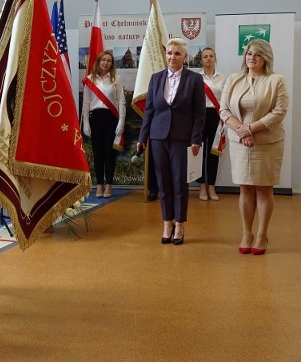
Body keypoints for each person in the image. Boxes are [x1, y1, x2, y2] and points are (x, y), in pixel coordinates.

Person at [219, 39, 288, 255]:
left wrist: (251, 129)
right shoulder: (234, 79)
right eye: (249, 53)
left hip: (267, 141)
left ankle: (261, 234)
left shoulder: (276, 80)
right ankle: (246, 233)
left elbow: (279, 111)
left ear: (265, 57)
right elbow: (224, 110)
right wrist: (242, 130)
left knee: (264, 188)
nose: (251, 57)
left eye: (257, 54)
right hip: (240, 141)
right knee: (245, 187)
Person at [137, 38, 206, 245]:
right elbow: (149, 110)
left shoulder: (194, 79)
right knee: (163, 183)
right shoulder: (156, 78)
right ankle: (167, 222)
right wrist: (142, 137)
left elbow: (199, 113)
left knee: (179, 183)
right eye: (169, 53)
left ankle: (180, 225)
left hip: (182, 138)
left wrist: (196, 139)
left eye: (177, 53)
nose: (172, 57)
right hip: (158, 137)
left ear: (185, 57)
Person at [82, 50, 126, 198]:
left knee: (110, 154)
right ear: (98, 62)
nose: (106, 63)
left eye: (109, 61)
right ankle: (99, 184)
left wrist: (121, 122)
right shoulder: (89, 79)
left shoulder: (116, 79)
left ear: (111, 64)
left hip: (111, 118)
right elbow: (86, 102)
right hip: (95, 118)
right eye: (103, 60)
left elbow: (121, 102)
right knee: (97, 154)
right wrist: (86, 123)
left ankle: (109, 185)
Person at [196, 47, 226, 201]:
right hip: (199, 117)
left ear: (215, 59)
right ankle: (201, 186)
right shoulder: (195, 78)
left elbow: (225, 101)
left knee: (213, 153)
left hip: (216, 117)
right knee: (199, 153)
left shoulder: (223, 79)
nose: (208, 58)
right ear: (201, 60)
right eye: (205, 56)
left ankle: (212, 187)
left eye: (211, 56)